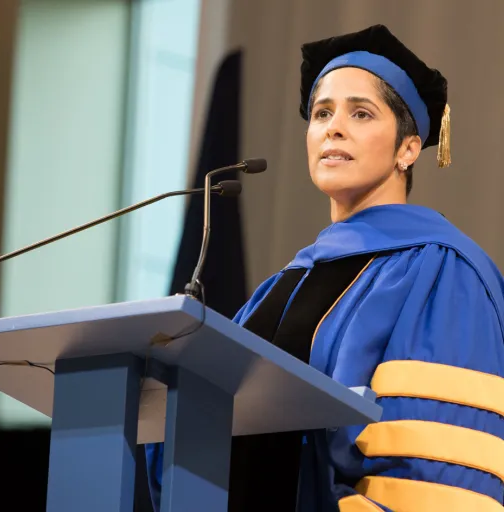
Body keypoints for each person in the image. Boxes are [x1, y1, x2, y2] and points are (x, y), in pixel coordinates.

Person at [147, 24, 504, 512]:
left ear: (407, 148)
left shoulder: (443, 272)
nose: (333, 127)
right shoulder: (280, 289)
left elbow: (432, 468)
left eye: (361, 112)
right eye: (321, 113)